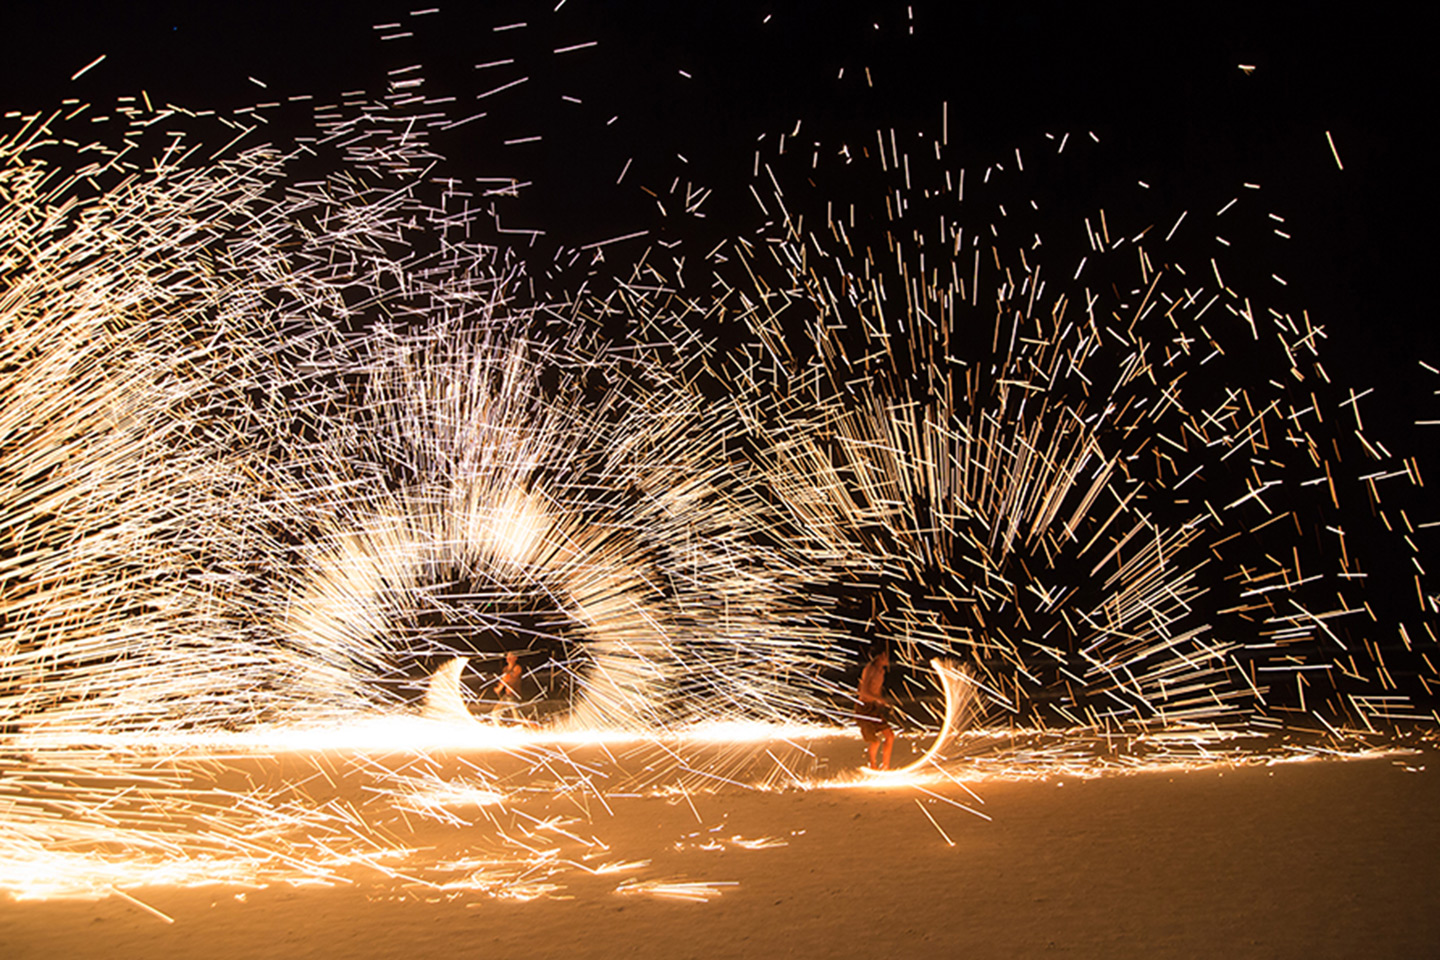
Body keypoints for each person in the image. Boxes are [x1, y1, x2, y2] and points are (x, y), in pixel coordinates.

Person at [856, 646, 895, 770]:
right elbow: (864, 692)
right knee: (875, 741)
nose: (888, 659)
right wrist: (878, 699)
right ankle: (873, 766)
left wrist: (882, 701)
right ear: (880, 656)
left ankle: (886, 766)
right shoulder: (870, 669)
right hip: (864, 708)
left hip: (873, 707)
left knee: (890, 735)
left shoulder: (881, 671)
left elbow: (876, 690)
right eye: (886, 655)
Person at [490, 652, 523, 721]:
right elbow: (503, 680)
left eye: (510, 656)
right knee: (494, 713)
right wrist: (499, 687)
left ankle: (525, 728)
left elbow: (509, 679)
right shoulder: (505, 669)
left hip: (514, 696)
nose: (508, 658)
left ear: (515, 658)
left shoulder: (517, 668)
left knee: (517, 717)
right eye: (507, 656)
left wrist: (500, 687)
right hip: (506, 695)